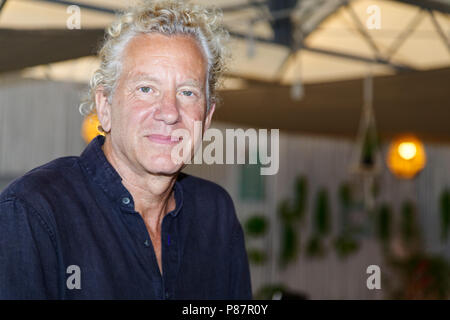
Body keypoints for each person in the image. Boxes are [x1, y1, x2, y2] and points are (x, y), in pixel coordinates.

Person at [0, 0, 252, 299]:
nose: (169, 112)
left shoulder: (215, 214)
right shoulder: (33, 211)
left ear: (207, 117)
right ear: (105, 106)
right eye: (146, 88)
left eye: (187, 92)